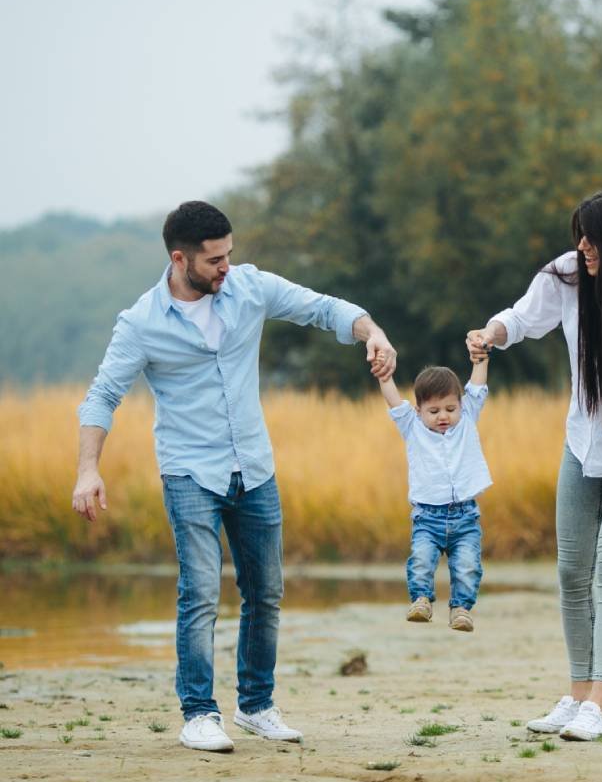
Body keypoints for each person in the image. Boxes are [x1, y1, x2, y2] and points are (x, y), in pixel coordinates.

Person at [72, 201, 396, 752]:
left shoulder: (250, 288)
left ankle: (256, 705)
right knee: (200, 593)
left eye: (229, 254)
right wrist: (87, 470)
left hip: (254, 467)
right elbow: (103, 395)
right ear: (180, 260)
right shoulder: (142, 323)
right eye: (215, 259)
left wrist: (373, 333)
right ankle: (199, 714)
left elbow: (324, 308)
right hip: (189, 472)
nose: (227, 266)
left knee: (265, 593)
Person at [467, 186, 602, 740]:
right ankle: (576, 695)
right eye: (581, 236)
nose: (583, 246)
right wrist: (491, 333)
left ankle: (600, 705)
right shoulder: (567, 276)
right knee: (571, 572)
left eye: (594, 238)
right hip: (581, 448)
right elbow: (522, 319)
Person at [376, 355, 492, 632]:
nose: (443, 416)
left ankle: (461, 609)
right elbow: (393, 401)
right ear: (419, 410)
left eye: (450, 409)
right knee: (421, 560)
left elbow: (477, 387)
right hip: (427, 517)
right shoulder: (412, 426)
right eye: (434, 410)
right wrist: (384, 376)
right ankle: (421, 601)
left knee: (467, 565)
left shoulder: (467, 418)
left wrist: (481, 358)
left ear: (461, 405)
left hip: (465, 515)